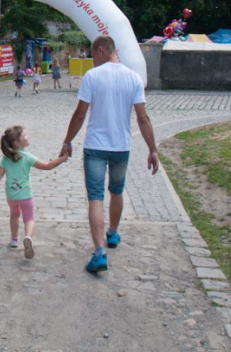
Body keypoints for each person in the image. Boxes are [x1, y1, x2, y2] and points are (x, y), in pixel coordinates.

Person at [59, 35, 159, 274]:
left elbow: (80, 114)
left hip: (95, 146)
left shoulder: (93, 76)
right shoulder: (134, 78)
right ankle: (112, 233)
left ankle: (99, 252)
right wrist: (152, 149)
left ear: (102, 50)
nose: (93, 60)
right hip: (121, 147)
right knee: (117, 190)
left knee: (95, 197)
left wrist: (67, 141)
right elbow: (142, 118)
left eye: (94, 55)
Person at [0, 126, 67, 259]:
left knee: (14, 215)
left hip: (11, 196)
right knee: (29, 218)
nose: (28, 136)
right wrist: (63, 158)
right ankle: (28, 237)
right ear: (17, 143)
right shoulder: (27, 157)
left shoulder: (6, 158)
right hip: (25, 196)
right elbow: (48, 166)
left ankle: (14, 239)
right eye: (25, 135)